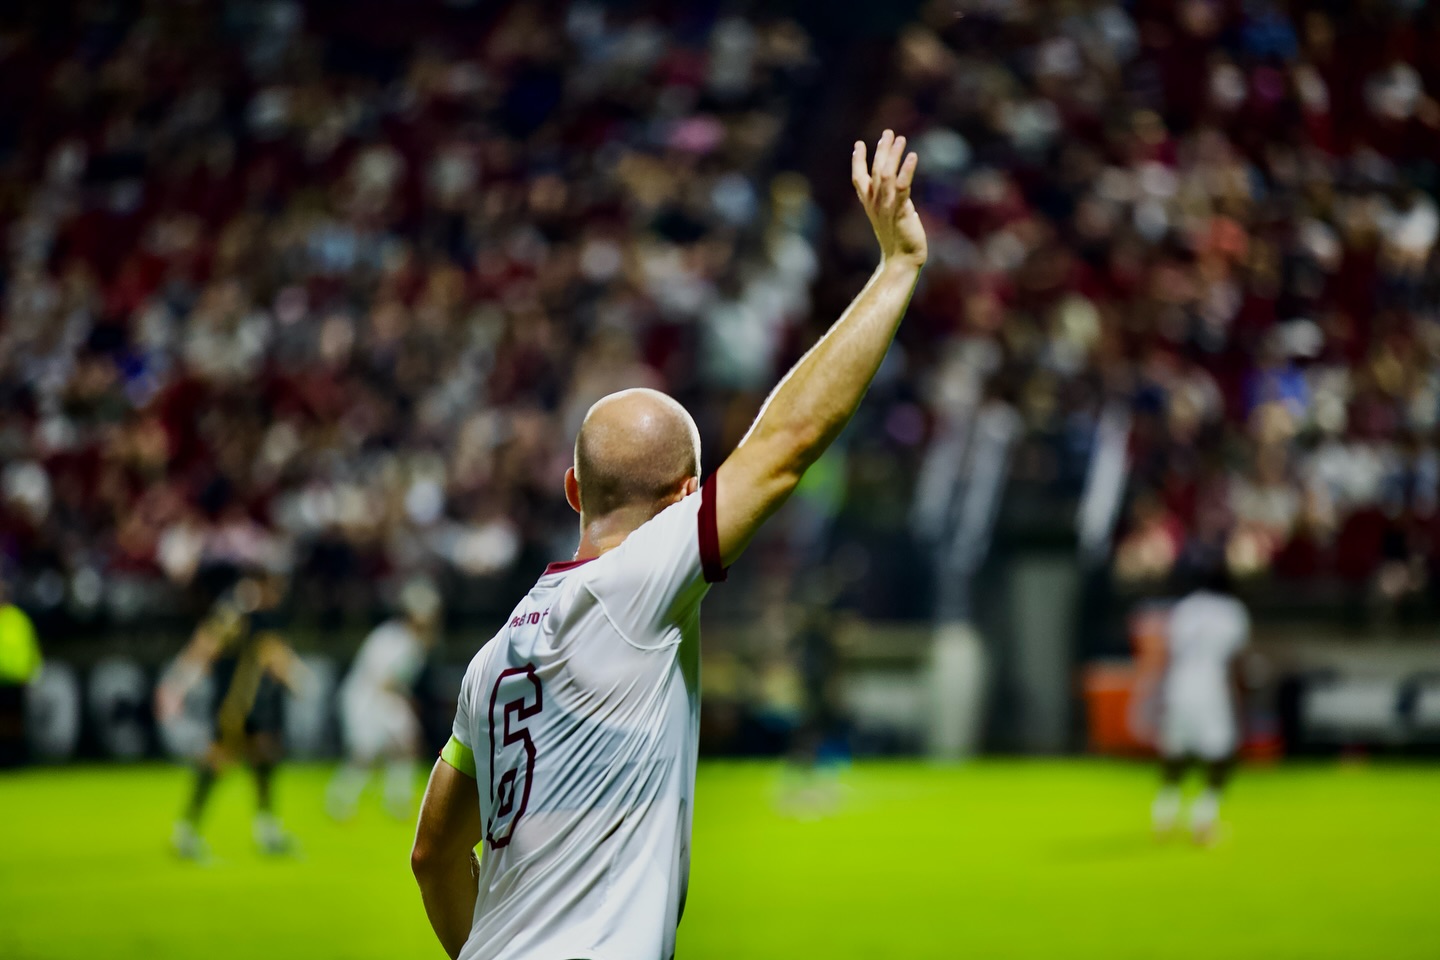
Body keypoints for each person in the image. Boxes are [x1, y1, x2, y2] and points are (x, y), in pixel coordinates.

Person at [409, 132, 927, 960]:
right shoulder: (637, 586)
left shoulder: (496, 654)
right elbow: (785, 443)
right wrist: (896, 268)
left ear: (574, 491)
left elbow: (433, 854)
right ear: (688, 500)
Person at [157, 568, 308, 859]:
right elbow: (208, 644)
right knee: (218, 761)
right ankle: (185, 833)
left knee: (262, 759)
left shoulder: (252, 614)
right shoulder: (238, 611)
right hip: (234, 703)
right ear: (262, 585)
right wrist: (180, 681)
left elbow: (270, 652)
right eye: (274, 588)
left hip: (251, 702)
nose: (277, 596)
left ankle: (267, 832)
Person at [1150, 565, 1250, 845]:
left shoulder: (1185, 608)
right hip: (1211, 689)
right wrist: (1242, 699)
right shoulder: (1232, 610)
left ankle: (1164, 813)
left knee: (1175, 752)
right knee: (1222, 755)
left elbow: (1169, 651)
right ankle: (1204, 817)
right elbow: (1235, 660)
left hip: (1178, 686)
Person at [328, 578, 442, 819]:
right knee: (366, 754)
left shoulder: (414, 643)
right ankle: (340, 799)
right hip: (367, 699)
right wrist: (405, 703)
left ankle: (398, 801)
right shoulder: (392, 638)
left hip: (384, 699)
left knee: (405, 746)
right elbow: (381, 680)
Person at [0, 578, 43, 768]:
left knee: (16, 724)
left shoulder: (19, 618)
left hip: (17, 681)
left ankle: (16, 759)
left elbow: (31, 647)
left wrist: (33, 674)